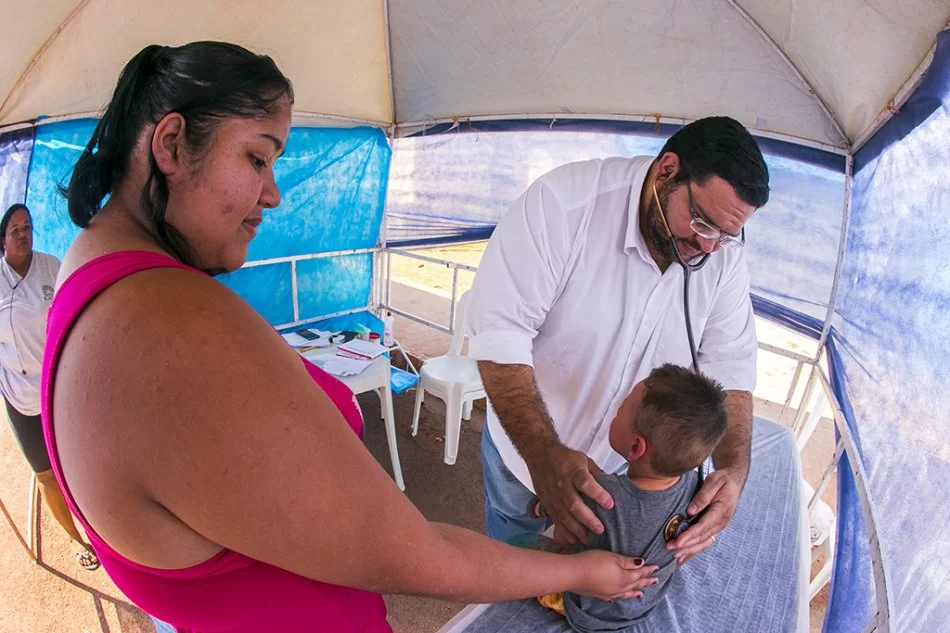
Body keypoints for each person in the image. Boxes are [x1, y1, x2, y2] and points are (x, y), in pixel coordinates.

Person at [40, 41, 656, 632]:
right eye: (257, 157)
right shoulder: (166, 321)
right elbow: (419, 558)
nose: (274, 194)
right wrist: (579, 570)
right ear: (172, 144)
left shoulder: (89, 269)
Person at [467, 116, 770, 568]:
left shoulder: (721, 255)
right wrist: (544, 456)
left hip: (623, 476)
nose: (709, 249)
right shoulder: (562, 206)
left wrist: (733, 471)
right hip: (525, 457)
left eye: (727, 235)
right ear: (667, 170)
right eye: (704, 223)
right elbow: (499, 336)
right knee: (513, 573)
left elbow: (731, 368)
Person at [527, 364, 728, 631]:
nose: (616, 409)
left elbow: (564, 533)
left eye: (621, 408)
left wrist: (539, 507)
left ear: (636, 446)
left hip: (588, 611)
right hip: (641, 606)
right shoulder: (697, 490)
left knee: (522, 544)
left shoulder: (600, 498)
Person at [0, 203, 99, 571]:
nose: (23, 234)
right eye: (14, 230)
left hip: (57, 388)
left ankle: (99, 526)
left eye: (27, 227)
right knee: (45, 474)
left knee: (77, 463)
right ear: (2, 240)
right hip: (20, 398)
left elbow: (72, 310)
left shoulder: (50, 266)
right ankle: (76, 540)